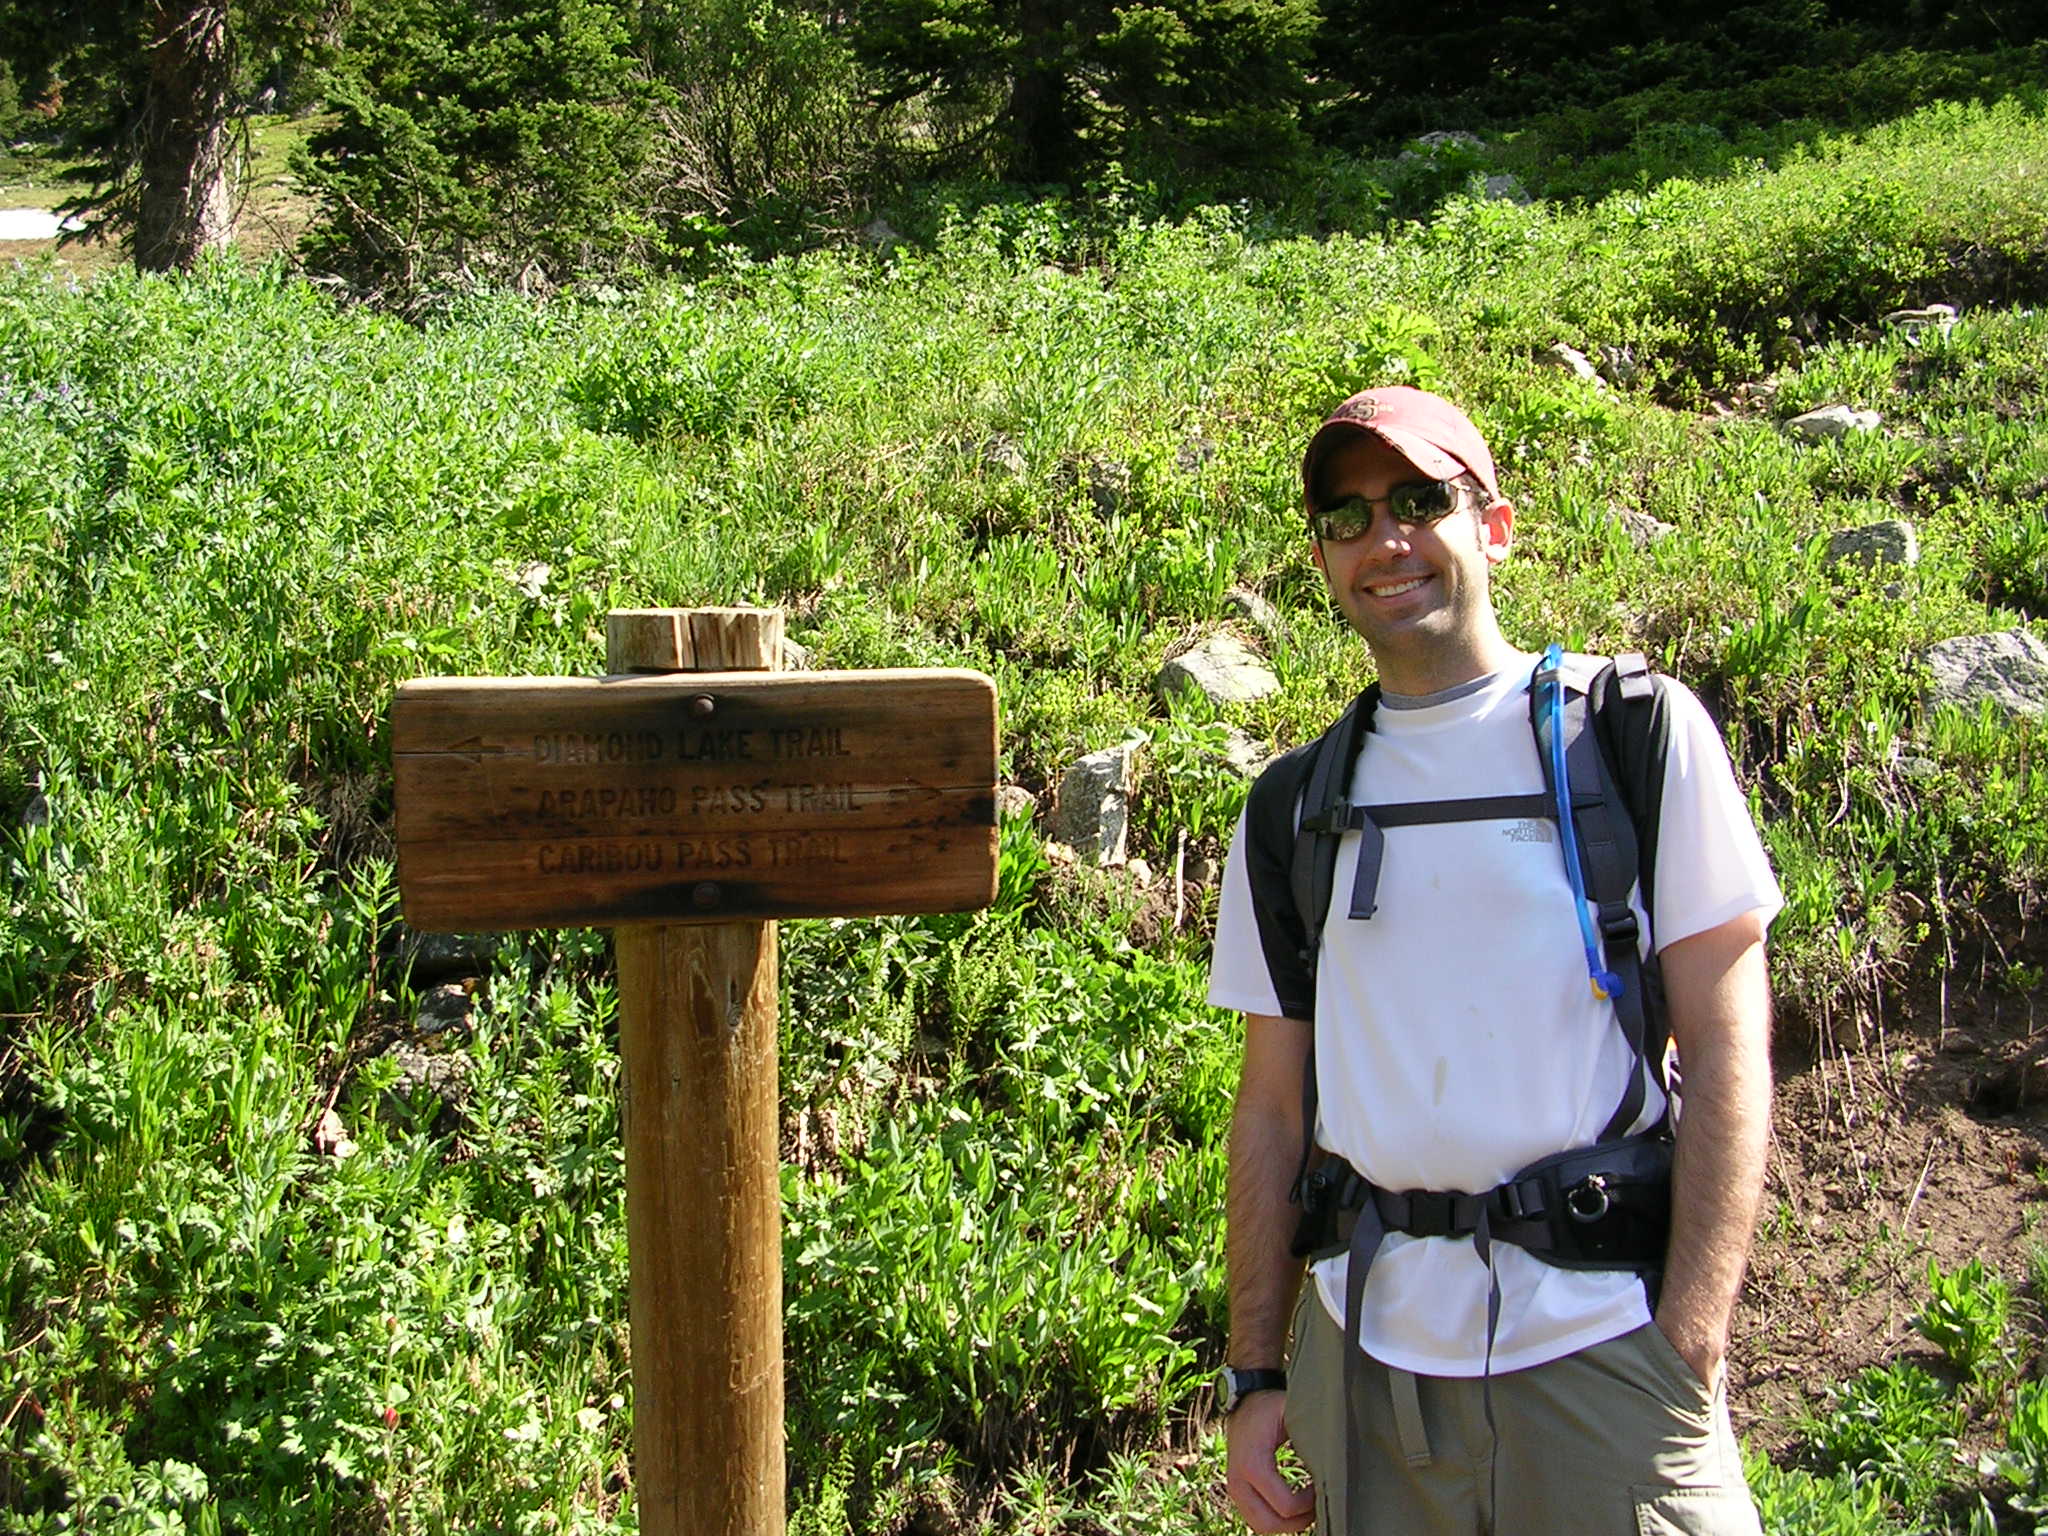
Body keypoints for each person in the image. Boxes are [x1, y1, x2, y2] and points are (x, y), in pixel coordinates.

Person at [1208, 386, 1780, 1535]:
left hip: (1600, 1357)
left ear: (1495, 524)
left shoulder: (1631, 731)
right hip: (1367, 1363)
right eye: (1347, 516)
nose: (1385, 541)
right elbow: (1269, 1109)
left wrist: (1689, 1345)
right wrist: (1256, 1376)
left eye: (1421, 501)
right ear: (1321, 557)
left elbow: (1726, 1054)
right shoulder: (1292, 805)